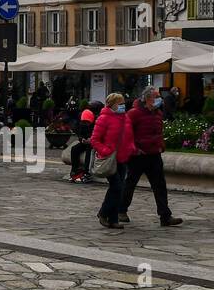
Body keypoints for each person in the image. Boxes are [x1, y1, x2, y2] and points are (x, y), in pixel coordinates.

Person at [120, 89, 183, 226]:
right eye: (157, 97)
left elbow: (158, 132)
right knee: (130, 183)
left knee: (160, 185)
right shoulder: (134, 114)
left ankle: (165, 216)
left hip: (154, 154)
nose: (160, 99)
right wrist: (134, 149)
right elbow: (126, 133)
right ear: (148, 98)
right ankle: (121, 210)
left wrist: (161, 145)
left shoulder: (158, 113)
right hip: (138, 155)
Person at [91, 92, 136, 229]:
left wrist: (131, 148)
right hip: (110, 158)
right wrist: (105, 150)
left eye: (123, 103)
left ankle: (113, 218)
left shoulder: (125, 118)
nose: (123, 106)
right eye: (120, 103)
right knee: (117, 187)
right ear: (112, 105)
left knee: (118, 189)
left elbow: (129, 136)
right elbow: (94, 140)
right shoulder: (104, 118)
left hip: (123, 158)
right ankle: (103, 213)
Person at [68, 107, 95, 183]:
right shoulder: (82, 125)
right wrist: (82, 139)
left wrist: (91, 140)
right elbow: (80, 134)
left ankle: (87, 173)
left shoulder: (95, 124)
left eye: (87, 122)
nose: (85, 123)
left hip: (93, 143)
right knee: (74, 149)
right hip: (85, 142)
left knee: (89, 150)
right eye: (84, 122)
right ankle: (74, 170)